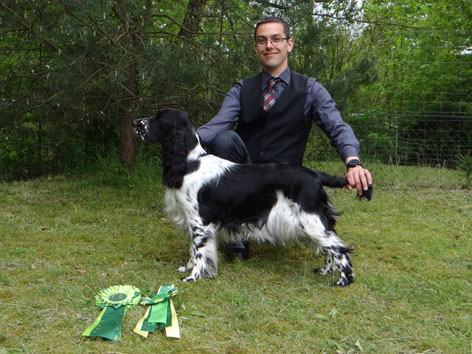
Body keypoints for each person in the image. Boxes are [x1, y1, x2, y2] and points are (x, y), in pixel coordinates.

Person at [197, 16, 373, 261]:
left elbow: (337, 126)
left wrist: (353, 162)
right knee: (224, 139)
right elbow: (217, 125)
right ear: (256, 48)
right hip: (245, 178)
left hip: (284, 180)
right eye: (262, 40)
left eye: (276, 39)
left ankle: (289, 223)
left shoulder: (311, 89)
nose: (269, 45)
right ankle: (238, 237)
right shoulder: (241, 89)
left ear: (289, 44)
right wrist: (182, 138)